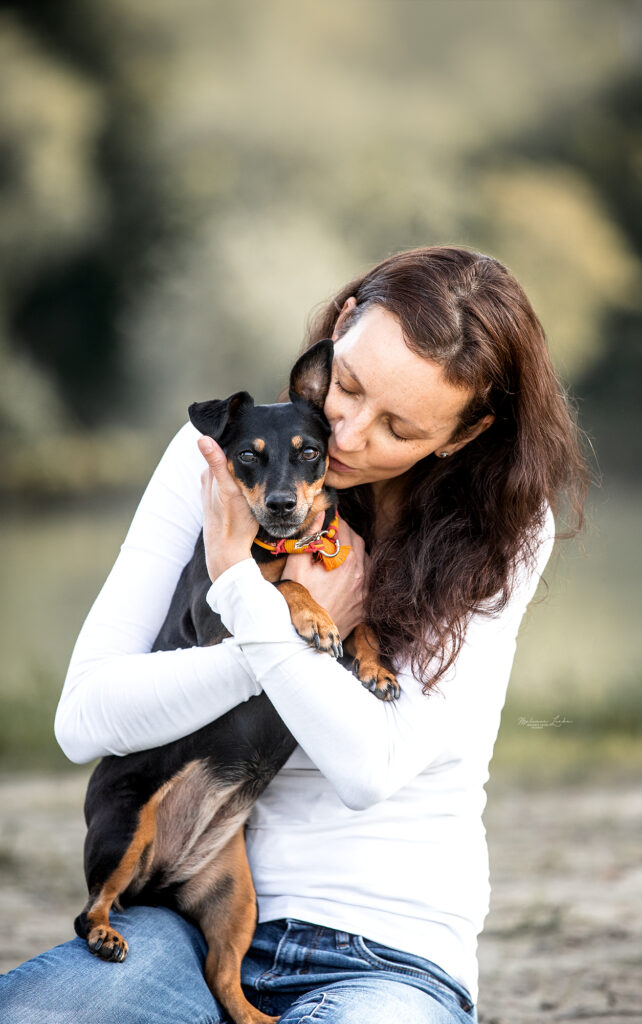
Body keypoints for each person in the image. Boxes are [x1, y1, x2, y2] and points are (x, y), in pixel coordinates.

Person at [0, 246, 588, 1024]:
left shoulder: (501, 528)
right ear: (339, 327)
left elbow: (368, 767)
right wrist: (260, 622)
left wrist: (242, 588)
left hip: (387, 952)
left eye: (397, 426)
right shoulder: (218, 460)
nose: (347, 435)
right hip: (185, 919)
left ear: (463, 432)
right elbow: (84, 719)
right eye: (349, 386)